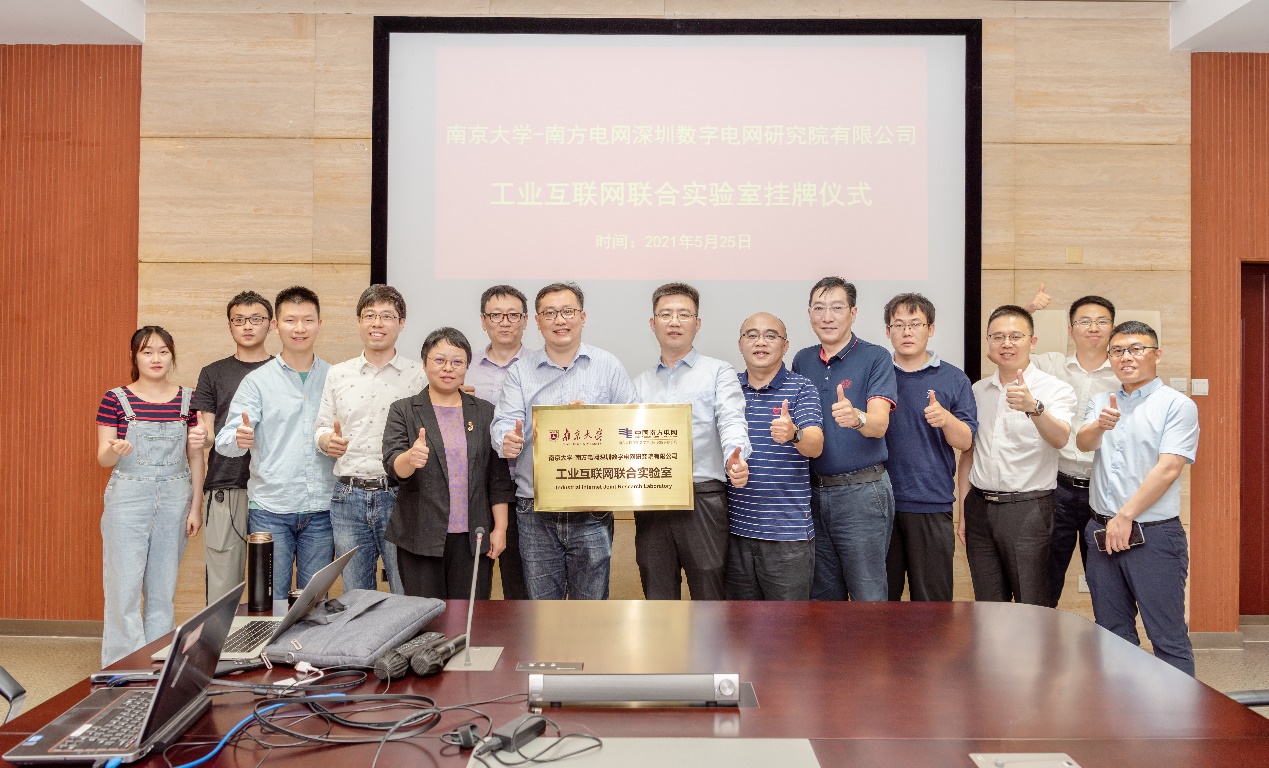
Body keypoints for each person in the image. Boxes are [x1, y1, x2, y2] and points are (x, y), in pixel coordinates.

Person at [491, 281, 638, 600]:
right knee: (543, 611)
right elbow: (504, 422)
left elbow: (633, 428)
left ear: (582, 317)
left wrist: (593, 423)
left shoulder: (608, 366)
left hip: (592, 508)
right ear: (537, 321)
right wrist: (507, 440)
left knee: (591, 608)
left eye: (568, 311)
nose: (560, 320)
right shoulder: (520, 372)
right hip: (535, 508)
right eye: (550, 313)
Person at [1077, 321, 1199, 675]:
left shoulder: (1177, 405)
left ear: (1156, 355)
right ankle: (1122, 708)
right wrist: (1099, 425)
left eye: (1136, 349)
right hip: (1101, 532)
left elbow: (1169, 468)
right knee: (1111, 634)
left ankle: (1177, 710)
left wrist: (1125, 516)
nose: (1126, 357)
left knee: (1167, 636)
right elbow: (1083, 443)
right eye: (1117, 351)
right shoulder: (1102, 401)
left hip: (1153, 535)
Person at [632, 283, 751, 600]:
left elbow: (731, 419)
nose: (674, 322)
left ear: (697, 324)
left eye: (683, 314)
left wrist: (736, 456)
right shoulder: (638, 385)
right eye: (665, 314)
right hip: (653, 500)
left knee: (709, 596)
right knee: (657, 595)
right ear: (652, 323)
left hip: (702, 497)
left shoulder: (718, 372)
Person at [215, 286, 335, 599]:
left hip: (322, 508)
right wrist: (239, 438)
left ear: (319, 324)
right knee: (268, 603)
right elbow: (224, 440)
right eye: (290, 320)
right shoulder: (257, 381)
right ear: (275, 325)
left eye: (308, 320)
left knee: (314, 604)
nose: (299, 328)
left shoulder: (336, 377)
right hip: (270, 509)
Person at [96, 326, 204, 665]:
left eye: (162, 351)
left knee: (162, 590)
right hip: (128, 498)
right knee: (123, 588)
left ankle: (158, 664)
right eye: (147, 351)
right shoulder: (115, 399)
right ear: (135, 357)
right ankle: (124, 666)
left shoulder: (189, 400)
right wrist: (115, 449)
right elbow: (103, 458)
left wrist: (195, 507)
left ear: (172, 356)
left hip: (175, 498)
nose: (155, 358)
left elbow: (196, 457)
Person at [383, 328, 515, 599]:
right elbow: (393, 465)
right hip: (420, 537)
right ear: (424, 363)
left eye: (457, 361)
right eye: (439, 360)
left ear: (466, 367)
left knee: (470, 616)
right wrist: (410, 458)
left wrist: (500, 528)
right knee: (426, 616)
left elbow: (497, 479)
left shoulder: (484, 412)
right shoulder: (403, 410)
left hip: (474, 537)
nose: (448, 368)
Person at [958, 305, 1076, 606]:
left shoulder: (1055, 389)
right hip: (979, 507)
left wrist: (1034, 408)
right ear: (988, 342)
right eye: (998, 337)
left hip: (1028, 509)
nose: (1006, 343)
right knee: (987, 606)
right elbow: (969, 454)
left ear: (1032, 342)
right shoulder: (978, 390)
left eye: (1015, 336)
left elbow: (1060, 438)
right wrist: (964, 512)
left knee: (1031, 605)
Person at [790, 276, 897, 602]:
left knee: (868, 595)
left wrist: (857, 417)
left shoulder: (875, 356)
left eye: (836, 308)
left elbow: (879, 424)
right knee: (822, 599)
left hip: (861, 493)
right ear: (809, 313)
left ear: (853, 313)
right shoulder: (802, 360)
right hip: (812, 494)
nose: (827, 317)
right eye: (819, 308)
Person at [314, 285, 422, 594]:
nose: (378, 323)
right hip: (348, 497)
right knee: (355, 596)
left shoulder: (418, 376)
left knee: (405, 592)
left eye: (387, 316)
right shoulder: (338, 373)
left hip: (400, 496)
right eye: (370, 315)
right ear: (359, 321)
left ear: (401, 323)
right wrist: (326, 441)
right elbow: (321, 427)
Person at [1025, 292, 1120, 607]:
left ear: (1112, 328)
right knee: (1046, 578)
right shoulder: (1051, 364)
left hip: (1104, 490)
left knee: (1106, 581)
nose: (1093, 327)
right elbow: (1009, 348)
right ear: (1070, 329)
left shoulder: (1124, 373)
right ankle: (1039, 635)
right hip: (1058, 488)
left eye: (1101, 321)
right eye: (1084, 321)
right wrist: (1029, 309)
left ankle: (1109, 637)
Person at [881, 294, 977, 602]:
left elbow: (966, 441)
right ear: (888, 331)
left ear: (931, 329)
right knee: (880, 605)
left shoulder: (954, 378)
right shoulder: (877, 375)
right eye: (899, 325)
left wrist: (946, 419)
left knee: (933, 605)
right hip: (880, 506)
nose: (907, 332)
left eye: (915, 324)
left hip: (931, 503)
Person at [725, 313, 824, 600]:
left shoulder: (802, 388)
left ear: (785, 345)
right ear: (740, 344)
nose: (760, 342)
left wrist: (794, 434)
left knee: (788, 625)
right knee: (739, 624)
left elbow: (815, 445)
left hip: (787, 536)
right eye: (752, 335)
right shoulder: (728, 388)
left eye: (770, 336)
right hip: (734, 533)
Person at [191, 291, 274, 604]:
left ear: (271, 324)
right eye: (239, 320)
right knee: (223, 586)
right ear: (230, 326)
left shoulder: (283, 370)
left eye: (256, 319)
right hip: (226, 486)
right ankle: (221, 638)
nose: (247, 326)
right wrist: (201, 437)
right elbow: (209, 434)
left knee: (273, 584)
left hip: (275, 489)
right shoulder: (213, 373)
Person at [462, 285, 534, 599]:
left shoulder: (539, 366)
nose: (504, 322)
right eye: (496, 315)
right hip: (475, 490)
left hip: (525, 490)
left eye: (513, 315)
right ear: (483, 320)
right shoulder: (462, 368)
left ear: (525, 320)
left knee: (521, 591)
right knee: (473, 589)